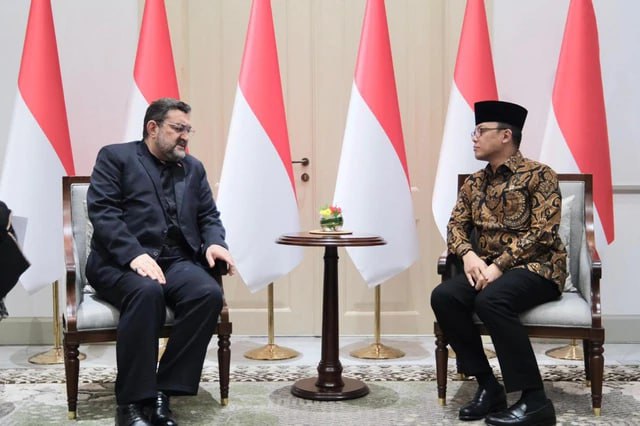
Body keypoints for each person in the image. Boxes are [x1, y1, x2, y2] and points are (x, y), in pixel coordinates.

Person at [86, 98, 235, 426]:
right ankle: (130, 402)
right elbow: (104, 213)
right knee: (147, 292)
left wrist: (215, 243)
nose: (185, 137)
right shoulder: (116, 157)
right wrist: (133, 254)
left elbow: (208, 216)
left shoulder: (193, 167)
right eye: (178, 128)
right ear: (152, 128)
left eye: (188, 130)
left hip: (174, 261)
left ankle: (162, 391)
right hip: (118, 262)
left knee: (207, 294)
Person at [430, 100, 566, 426]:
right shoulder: (474, 183)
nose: (474, 138)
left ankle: (535, 401)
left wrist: (500, 265)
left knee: (491, 300)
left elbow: (543, 233)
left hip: (539, 268)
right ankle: (489, 387)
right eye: (474, 132)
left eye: (481, 131)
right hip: (489, 268)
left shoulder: (540, 175)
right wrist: (468, 254)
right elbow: (455, 226)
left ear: (506, 135)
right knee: (444, 296)